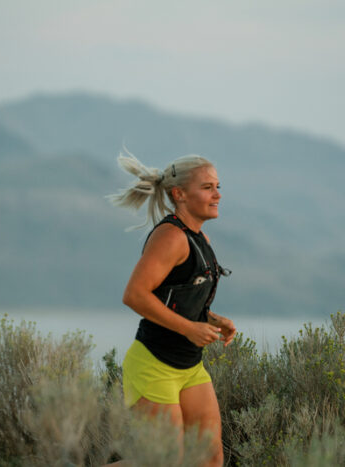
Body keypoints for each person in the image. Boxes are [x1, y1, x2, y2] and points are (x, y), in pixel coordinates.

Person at [107, 148, 236, 467]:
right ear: (179, 194)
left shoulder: (198, 237)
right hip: (153, 364)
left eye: (218, 186)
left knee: (209, 459)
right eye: (207, 187)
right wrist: (191, 329)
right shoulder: (171, 237)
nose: (217, 194)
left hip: (189, 367)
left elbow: (176, 300)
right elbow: (135, 295)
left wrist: (213, 320)